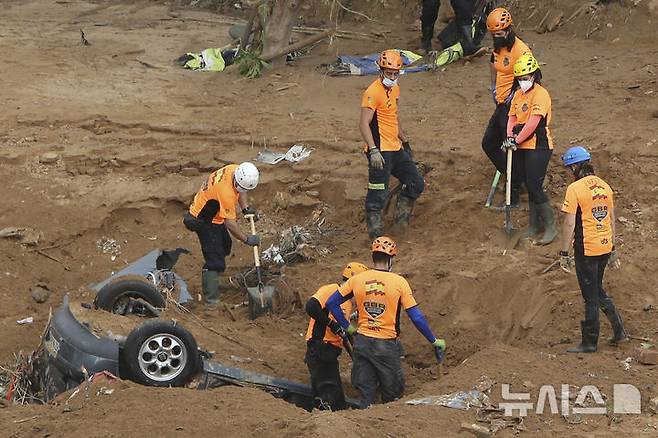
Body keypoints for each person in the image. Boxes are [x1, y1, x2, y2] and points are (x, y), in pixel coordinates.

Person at [325, 237, 445, 406]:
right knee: (392, 393)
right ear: (390, 259)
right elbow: (416, 317)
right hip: (386, 345)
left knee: (365, 394)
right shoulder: (399, 282)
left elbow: (331, 303)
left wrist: (348, 328)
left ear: (373, 256)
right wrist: (433, 340)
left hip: (362, 343)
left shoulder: (357, 280)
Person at [559, 146, 627, 353]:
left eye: (568, 169)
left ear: (574, 166)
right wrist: (613, 247)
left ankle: (589, 342)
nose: (568, 173)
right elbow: (611, 219)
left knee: (590, 296)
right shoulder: (605, 186)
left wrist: (563, 253)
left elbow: (569, 224)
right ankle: (619, 331)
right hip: (605, 246)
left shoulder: (575, 189)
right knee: (597, 289)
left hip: (586, 249)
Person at [360, 50, 424, 238]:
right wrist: (373, 151)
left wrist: (404, 140)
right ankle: (375, 232)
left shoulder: (395, 89)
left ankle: (401, 218)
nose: (393, 77)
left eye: (396, 73)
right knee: (378, 192)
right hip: (380, 150)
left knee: (416, 183)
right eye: (389, 73)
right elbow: (364, 123)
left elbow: (392, 117)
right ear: (381, 70)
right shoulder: (372, 92)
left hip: (395, 147)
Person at [182, 162, 261, 305]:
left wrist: (245, 209)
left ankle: (214, 274)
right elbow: (230, 224)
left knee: (226, 244)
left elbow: (241, 190)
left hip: (214, 214)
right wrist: (247, 239)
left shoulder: (235, 170)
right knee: (214, 258)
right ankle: (211, 300)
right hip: (202, 219)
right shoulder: (226, 193)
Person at [503, 53, 556, 245]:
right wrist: (510, 136)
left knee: (534, 184)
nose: (522, 82)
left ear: (534, 76)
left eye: (525, 78)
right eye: (520, 79)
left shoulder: (541, 94)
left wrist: (516, 139)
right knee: (528, 183)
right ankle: (534, 225)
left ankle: (550, 226)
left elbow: (533, 123)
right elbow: (512, 117)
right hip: (521, 145)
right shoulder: (518, 95)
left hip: (538, 146)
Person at [481, 7, 531, 208]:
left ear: (509, 29)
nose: (496, 37)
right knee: (488, 143)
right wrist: (493, 87)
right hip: (500, 103)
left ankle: (515, 191)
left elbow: (532, 78)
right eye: (493, 35)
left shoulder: (521, 50)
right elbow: (493, 63)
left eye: (499, 33)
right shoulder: (498, 46)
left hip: (513, 107)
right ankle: (511, 175)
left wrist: (515, 98)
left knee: (512, 148)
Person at [304, 262, 369, 410]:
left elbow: (342, 334)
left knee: (328, 393)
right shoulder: (332, 290)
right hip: (320, 347)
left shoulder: (346, 303)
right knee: (332, 396)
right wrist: (331, 324)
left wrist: (356, 357)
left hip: (329, 351)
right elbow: (311, 306)